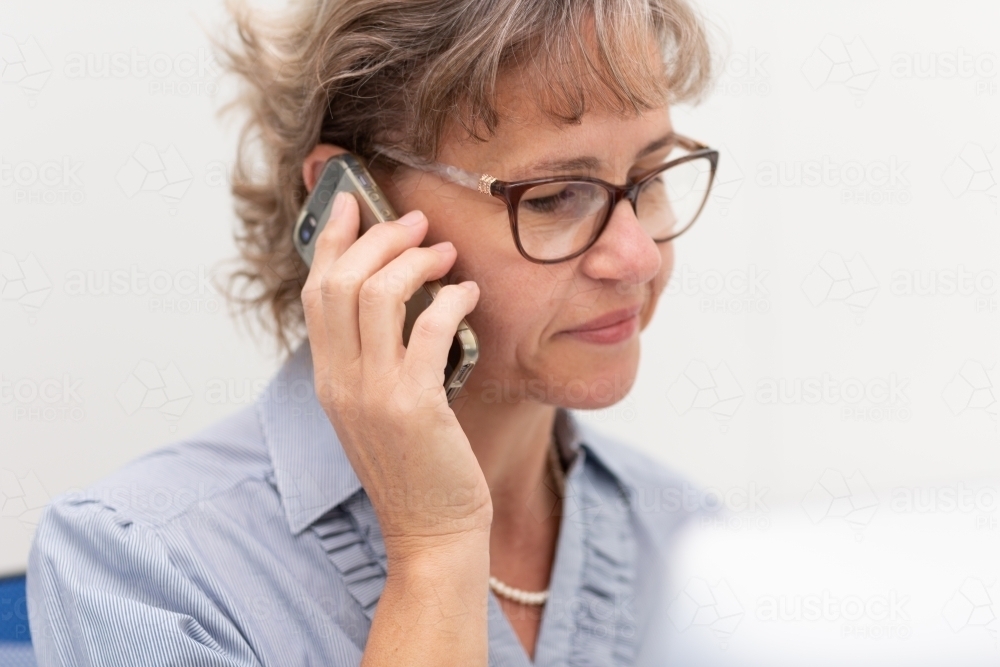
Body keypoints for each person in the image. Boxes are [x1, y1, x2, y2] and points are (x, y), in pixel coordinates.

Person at [27, 0, 719, 664]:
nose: (638, 256)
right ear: (355, 211)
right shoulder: (141, 566)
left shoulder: (693, 540)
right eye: (554, 196)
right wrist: (435, 551)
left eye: (651, 176)